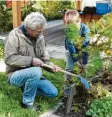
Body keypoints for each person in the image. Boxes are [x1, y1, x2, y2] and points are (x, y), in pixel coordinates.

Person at [4, 12, 61, 111]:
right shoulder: (14, 36)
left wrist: (52, 66)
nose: (40, 33)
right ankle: (27, 103)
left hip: (35, 75)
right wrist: (31, 61)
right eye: (38, 31)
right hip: (15, 74)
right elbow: (9, 59)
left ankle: (28, 88)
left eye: (41, 30)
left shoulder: (40, 37)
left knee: (53, 92)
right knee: (36, 71)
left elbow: (44, 60)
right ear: (29, 28)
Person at [63, 10, 90, 96]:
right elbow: (70, 45)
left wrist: (84, 62)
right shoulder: (69, 31)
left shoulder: (85, 29)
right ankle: (67, 90)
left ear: (79, 20)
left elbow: (86, 45)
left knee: (83, 68)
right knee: (69, 68)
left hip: (83, 50)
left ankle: (84, 89)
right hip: (71, 50)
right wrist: (75, 61)